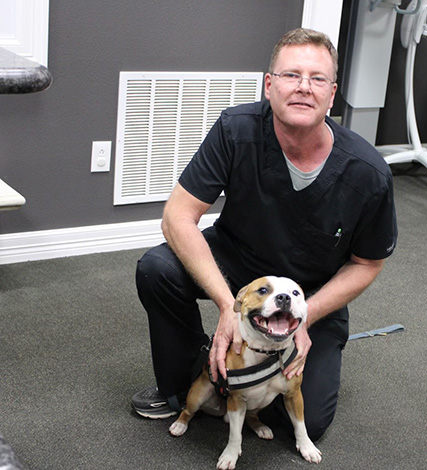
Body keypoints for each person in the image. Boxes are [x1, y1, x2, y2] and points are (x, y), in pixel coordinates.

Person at [131, 28, 397, 441]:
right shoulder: (235, 129)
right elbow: (177, 217)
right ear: (269, 85)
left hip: (309, 293)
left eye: (317, 79)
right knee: (157, 268)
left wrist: (304, 315)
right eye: (292, 75)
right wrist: (227, 306)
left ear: (332, 93)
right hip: (239, 264)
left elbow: (367, 263)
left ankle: (258, 368)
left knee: (301, 421)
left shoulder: (367, 171)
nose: (304, 88)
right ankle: (193, 376)